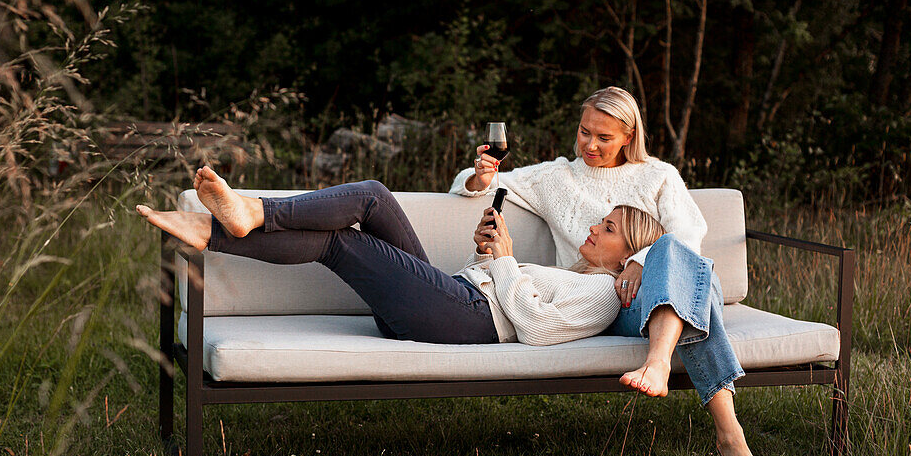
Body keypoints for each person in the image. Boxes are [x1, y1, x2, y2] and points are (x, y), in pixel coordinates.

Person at [453, 87, 770, 456]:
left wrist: (639, 261)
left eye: (604, 137)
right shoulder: (556, 176)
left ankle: (664, 369)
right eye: (585, 132)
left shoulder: (659, 175)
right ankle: (729, 434)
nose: (591, 145)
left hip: (663, 287)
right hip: (613, 302)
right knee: (700, 293)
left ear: (628, 136)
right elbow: (476, 183)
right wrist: (479, 176)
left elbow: (689, 232)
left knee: (682, 259)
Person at [136, 166, 658, 347]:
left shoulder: (604, 294)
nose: (593, 227)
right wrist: (490, 258)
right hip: (455, 300)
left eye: (607, 228)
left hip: (466, 316)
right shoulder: (583, 277)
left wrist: (503, 263)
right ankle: (230, 223)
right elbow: (514, 295)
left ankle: (239, 220)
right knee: (373, 199)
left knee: (345, 237)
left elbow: (538, 331)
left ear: (629, 252)